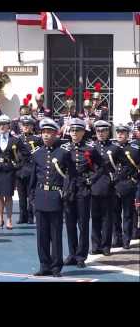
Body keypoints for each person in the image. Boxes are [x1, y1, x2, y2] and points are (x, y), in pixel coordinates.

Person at [29, 118, 74, 277]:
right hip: (41, 196)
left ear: (56, 134)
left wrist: (66, 193)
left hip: (56, 196)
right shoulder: (37, 153)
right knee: (42, 235)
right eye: (44, 132)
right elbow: (33, 178)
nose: (46, 135)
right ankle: (44, 265)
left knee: (55, 235)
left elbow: (70, 176)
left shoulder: (63, 153)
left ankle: (56, 267)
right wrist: (31, 197)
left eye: (49, 132)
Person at [62, 118, 103, 268]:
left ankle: (81, 256)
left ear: (83, 132)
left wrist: (91, 179)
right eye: (72, 130)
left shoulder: (90, 148)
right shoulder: (64, 148)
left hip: (83, 189)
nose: (74, 133)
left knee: (83, 223)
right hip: (69, 189)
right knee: (70, 223)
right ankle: (72, 254)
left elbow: (102, 166)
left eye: (77, 131)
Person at [0, 115, 28, 230]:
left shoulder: (15, 140)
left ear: (9, 125)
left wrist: (18, 166)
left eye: (4, 124)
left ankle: (9, 220)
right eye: (0, 124)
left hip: (9, 170)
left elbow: (26, 154)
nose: (2, 126)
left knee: (9, 196)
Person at [90, 120, 122, 256]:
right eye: (98, 131)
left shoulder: (115, 148)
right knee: (95, 217)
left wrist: (116, 178)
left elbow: (123, 166)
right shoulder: (91, 147)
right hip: (93, 186)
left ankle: (105, 246)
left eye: (103, 131)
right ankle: (95, 245)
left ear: (108, 132)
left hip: (109, 187)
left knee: (107, 218)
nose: (101, 133)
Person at [112, 124, 140, 249]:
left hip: (128, 184)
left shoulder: (134, 149)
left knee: (128, 214)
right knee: (115, 214)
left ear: (128, 134)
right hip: (115, 185)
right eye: (118, 132)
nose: (119, 135)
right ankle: (116, 238)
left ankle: (126, 239)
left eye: (122, 133)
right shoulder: (112, 148)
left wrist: (134, 180)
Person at [16, 115, 43, 224]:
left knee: (31, 194)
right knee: (21, 195)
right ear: (21, 126)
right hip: (20, 169)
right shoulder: (18, 139)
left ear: (32, 126)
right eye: (24, 125)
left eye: (28, 125)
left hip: (31, 169)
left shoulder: (37, 139)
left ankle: (31, 216)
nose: (26, 127)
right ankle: (22, 216)